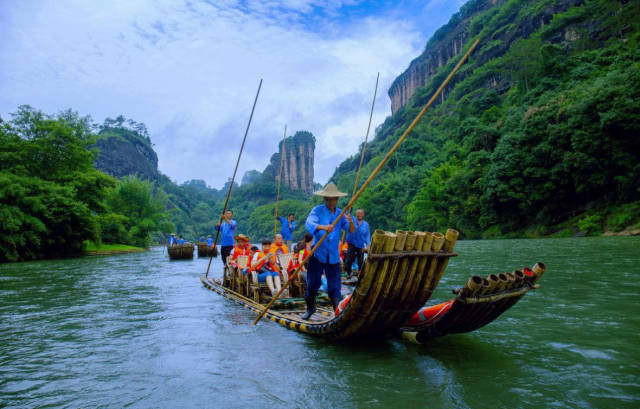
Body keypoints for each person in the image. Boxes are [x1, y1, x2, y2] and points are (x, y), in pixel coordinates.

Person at [303, 183, 355, 320]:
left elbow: (351, 230)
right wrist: (323, 227)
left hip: (333, 256)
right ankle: (310, 308)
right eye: (328, 199)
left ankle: (337, 312)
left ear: (336, 200)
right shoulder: (317, 211)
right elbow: (309, 223)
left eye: (334, 199)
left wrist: (350, 222)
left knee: (335, 285)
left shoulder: (340, 214)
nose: (331, 201)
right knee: (313, 283)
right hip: (317, 254)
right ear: (325, 199)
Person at [344, 209, 371, 278]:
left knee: (360, 260)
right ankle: (348, 273)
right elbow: (348, 211)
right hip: (351, 243)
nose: (359, 215)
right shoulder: (352, 219)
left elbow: (367, 236)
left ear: (363, 214)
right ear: (356, 214)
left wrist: (368, 245)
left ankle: (360, 273)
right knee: (349, 259)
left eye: (361, 213)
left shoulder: (366, 224)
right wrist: (351, 205)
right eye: (358, 213)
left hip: (360, 244)